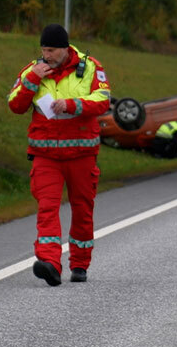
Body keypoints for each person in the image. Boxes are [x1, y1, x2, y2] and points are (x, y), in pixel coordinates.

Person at [7, 24, 111, 287]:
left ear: (65, 49)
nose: (46, 55)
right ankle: (50, 263)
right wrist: (32, 79)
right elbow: (15, 105)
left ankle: (79, 263)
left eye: (51, 50)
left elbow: (103, 100)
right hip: (46, 155)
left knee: (82, 210)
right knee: (47, 208)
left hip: (81, 154)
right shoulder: (33, 70)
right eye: (43, 49)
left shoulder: (90, 68)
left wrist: (72, 105)